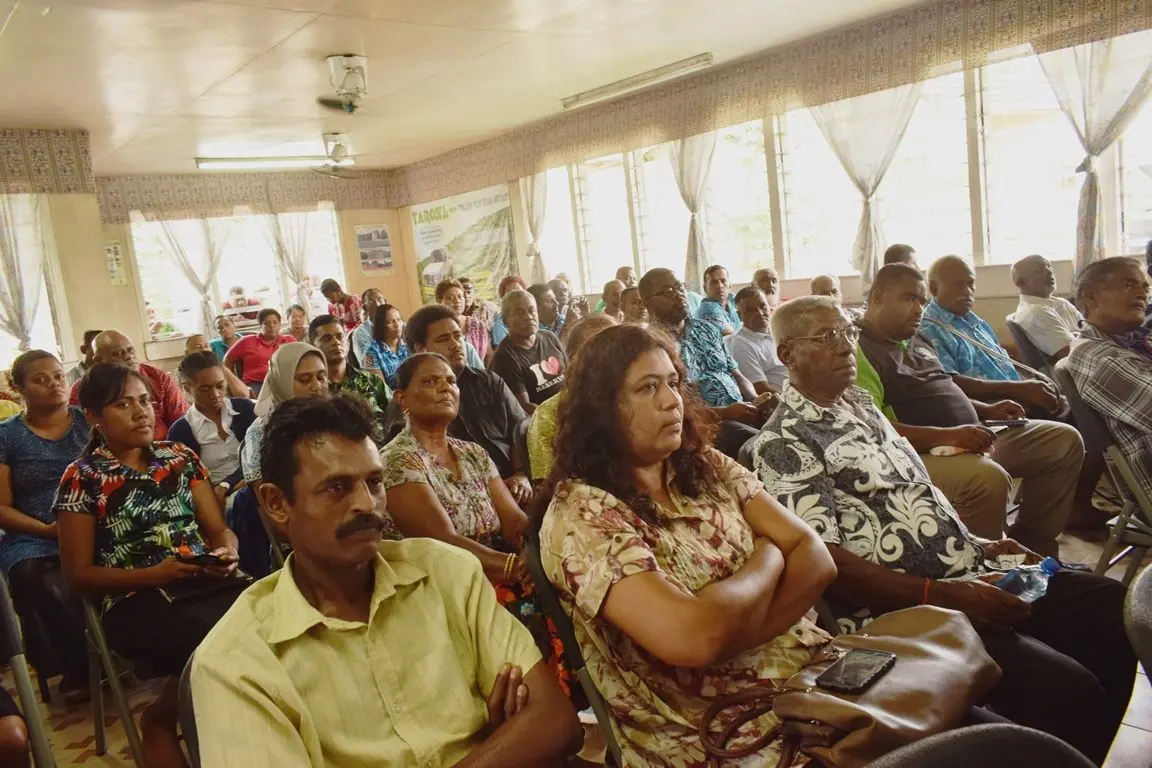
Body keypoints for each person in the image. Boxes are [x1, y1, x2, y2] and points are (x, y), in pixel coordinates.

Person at [752, 296, 1137, 765]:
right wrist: (945, 594)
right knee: (1070, 691)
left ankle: (1077, 750)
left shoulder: (861, 405)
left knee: (1110, 608)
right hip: (911, 611)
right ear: (786, 354)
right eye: (826, 336)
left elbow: (915, 500)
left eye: (848, 333)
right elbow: (831, 564)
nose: (845, 346)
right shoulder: (782, 442)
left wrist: (985, 544)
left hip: (975, 570)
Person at [192, 395, 582, 767]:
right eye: (337, 487)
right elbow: (533, 736)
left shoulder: (446, 573)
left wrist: (519, 739)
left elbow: (557, 723)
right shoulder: (237, 662)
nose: (366, 504)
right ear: (276, 503)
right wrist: (505, 748)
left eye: (374, 482)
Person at [538, 323, 837, 767]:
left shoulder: (702, 465)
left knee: (948, 723)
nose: (671, 400)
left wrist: (733, 633)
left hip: (810, 676)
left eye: (673, 382)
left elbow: (817, 557)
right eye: (647, 388)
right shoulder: (583, 514)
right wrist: (769, 554)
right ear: (601, 409)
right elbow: (694, 639)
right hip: (714, 730)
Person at [55, 363, 247, 767]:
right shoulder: (82, 477)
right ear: (92, 417)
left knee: (270, 610)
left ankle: (182, 720)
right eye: (123, 404)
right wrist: (154, 575)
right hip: (134, 597)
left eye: (144, 401)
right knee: (215, 645)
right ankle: (171, 724)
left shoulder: (179, 457)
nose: (141, 412)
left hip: (202, 578)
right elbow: (78, 576)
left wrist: (227, 551)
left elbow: (218, 530)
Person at [854, 264, 1087, 553]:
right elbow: (870, 426)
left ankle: (1032, 550)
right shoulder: (859, 350)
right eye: (908, 299)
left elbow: (940, 388)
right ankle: (983, 569)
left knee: (1062, 442)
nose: (918, 309)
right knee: (987, 479)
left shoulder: (915, 336)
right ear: (877, 297)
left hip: (974, 433)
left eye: (922, 301)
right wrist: (948, 436)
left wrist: (985, 409)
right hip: (925, 451)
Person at [380, 354, 572, 685]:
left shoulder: (472, 452)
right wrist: (516, 567)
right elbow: (441, 544)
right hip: (440, 582)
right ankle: (544, 703)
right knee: (530, 604)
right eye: (429, 381)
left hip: (497, 568)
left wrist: (539, 546)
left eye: (450, 381)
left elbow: (513, 519)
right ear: (402, 399)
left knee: (566, 582)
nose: (445, 387)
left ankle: (573, 701)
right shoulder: (397, 461)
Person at [0, 351, 89, 698]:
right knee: (31, 574)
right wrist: (50, 530)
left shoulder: (88, 422)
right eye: (40, 379)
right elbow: (2, 507)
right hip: (34, 533)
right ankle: (75, 668)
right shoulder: (7, 436)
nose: (54, 384)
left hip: (92, 522)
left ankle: (123, 647)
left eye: (58, 376)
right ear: (19, 388)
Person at [382, 305, 532, 504]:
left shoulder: (489, 381)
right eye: (443, 339)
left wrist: (521, 474)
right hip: (457, 499)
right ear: (420, 349)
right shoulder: (409, 401)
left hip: (516, 487)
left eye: (457, 336)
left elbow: (521, 430)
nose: (455, 344)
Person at [1065, 256, 1152, 499]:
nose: (1142, 294)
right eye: (1128, 285)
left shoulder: (1126, 345)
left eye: (1145, 287)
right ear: (1090, 297)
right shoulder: (1098, 357)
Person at [526, 314, 616, 481]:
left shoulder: (641, 400)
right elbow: (548, 486)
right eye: (604, 352)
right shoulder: (548, 415)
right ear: (576, 361)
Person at [168, 351, 257, 510]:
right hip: (216, 500)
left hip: (257, 479)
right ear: (187, 388)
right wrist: (223, 489)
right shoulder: (180, 432)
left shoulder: (245, 409)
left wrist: (229, 483)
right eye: (205, 389)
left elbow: (261, 453)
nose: (215, 394)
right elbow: (189, 483)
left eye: (220, 385)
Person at [69, 331, 188, 441]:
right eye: (117, 354)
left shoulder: (159, 378)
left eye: (130, 350)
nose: (128, 356)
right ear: (98, 360)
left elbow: (181, 422)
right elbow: (80, 434)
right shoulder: (83, 388)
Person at [920, 255, 1024, 382]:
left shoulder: (976, 322)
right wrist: (1020, 389)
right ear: (934, 288)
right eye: (957, 285)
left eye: (971, 283)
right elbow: (948, 383)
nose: (967, 291)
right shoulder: (929, 330)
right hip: (993, 401)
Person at [240, 343, 330, 487]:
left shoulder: (335, 416)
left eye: (321, 377)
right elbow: (264, 495)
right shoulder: (261, 431)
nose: (316, 387)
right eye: (304, 380)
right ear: (281, 382)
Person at [490, 290, 566, 414]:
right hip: (544, 419)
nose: (528, 316)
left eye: (531, 310)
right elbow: (525, 407)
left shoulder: (549, 337)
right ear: (505, 321)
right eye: (519, 313)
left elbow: (569, 376)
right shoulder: (504, 357)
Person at [308, 315, 390, 413]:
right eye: (327, 339)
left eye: (339, 337)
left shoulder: (371, 381)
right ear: (313, 347)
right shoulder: (314, 389)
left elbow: (397, 412)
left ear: (348, 344)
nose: (336, 342)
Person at [1010, 254, 1083, 361]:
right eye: (1039, 271)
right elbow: (1069, 353)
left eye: (1049, 267)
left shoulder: (1061, 303)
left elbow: (1090, 331)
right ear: (1021, 283)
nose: (1049, 272)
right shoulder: (1035, 312)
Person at [725, 286, 786, 395]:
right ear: (739, 316)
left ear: (769, 306)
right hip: (787, 403)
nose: (760, 313)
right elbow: (761, 390)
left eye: (763, 306)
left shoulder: (780, 332)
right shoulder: (741, 344)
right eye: (750, 310)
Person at [223, 308, 296, 395]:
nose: (272, 326)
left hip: (284, 382)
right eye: (266, 323)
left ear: (280, 324)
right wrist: (233, 382)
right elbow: (227, 359)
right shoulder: (247, 341)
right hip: (256, 384)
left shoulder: (289, 340)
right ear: (261, 325)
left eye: (275, 322)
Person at [438, 278, 491, 362]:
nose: (457, 301)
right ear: (439, 301)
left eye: (460, 297)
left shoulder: (477, 325)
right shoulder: (436, 327)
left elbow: (489, 355)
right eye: (450, 298)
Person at [184, 334, 250, 398]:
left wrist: (221, 367)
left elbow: (244, 395)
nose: (203, 349)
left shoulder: (219, 367)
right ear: (187, 353)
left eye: (206, 346)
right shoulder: (185, 374)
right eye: (197, 347)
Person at [362, 304, 410, 389]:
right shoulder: (371, 351)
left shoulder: (408, 346)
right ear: (381, 326)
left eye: (399, 320)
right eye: (390, 322)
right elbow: (380, 388)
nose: (397, 325)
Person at [696, 264, 740, 335]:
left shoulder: (732, 300)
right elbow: (732, 337)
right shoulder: (707, 309)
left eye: (723, 281)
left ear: (730, 285)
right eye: (714, 282)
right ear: (705, 288)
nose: (719, 286)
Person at [350, 288, 385, 366]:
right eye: (371, 301)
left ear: (385, 302)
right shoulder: (361, 333)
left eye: (380, 299)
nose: (377, 304)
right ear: (365, 307)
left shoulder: (398, 325)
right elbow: (369, 366)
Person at [460, 276, 499, 346]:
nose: (466, 296)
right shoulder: (454, 311)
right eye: (462, 294)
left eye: (469, 292)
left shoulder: (486, 307)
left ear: (474, 293)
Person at [491, 275, 528, 347]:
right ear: (503, 297)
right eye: (509, 292)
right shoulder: (500, 324)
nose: (514, 295)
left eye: (518, 290)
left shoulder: (532, 314)